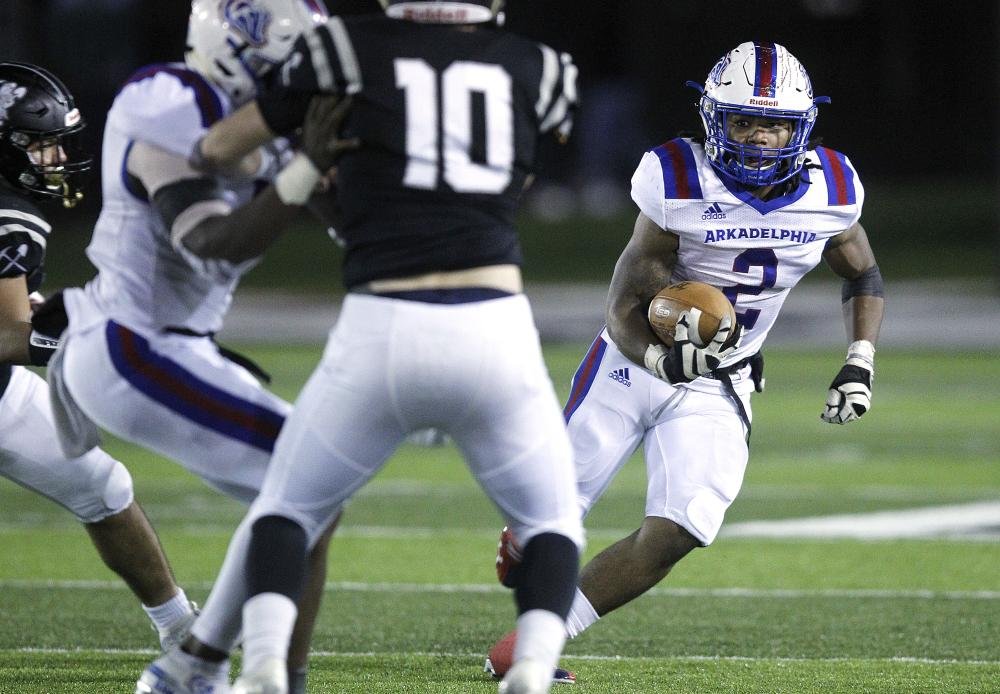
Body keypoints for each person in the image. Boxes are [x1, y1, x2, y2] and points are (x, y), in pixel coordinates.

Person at [137, 1, 586, 692]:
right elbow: (519, 173)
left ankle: (260, 664)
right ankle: (529, 667)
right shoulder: (543, 65)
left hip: (382, 321)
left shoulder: (344, 48)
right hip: (493, 322)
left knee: (289, 508)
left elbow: (222, 147)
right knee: (550, 521)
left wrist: (245, 155)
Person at [485, 41, 885, 682]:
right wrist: (657, 357)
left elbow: (862, 273)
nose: (759, 139)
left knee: (682, 527)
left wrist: (859, 359)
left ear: (802, 126)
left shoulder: (832, 190)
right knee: (551, 514)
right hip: (631, 363)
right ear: (713, 120)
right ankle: (528, 533)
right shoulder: (676, 177)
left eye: (776, 123)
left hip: (721, 380)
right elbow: (624, 302)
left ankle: (540, 640)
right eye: (744, 122)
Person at [41, 3, 339, 693]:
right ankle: (257, 675)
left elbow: (350, 219)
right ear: (240, 44)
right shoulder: (169, 97)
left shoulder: (258, 122)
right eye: (289, 62)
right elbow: (207, 244)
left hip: (169, 344)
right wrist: (303, 169)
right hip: (130, 340)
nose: (296, 82)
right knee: (310, 478)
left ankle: (193, 666)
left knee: (306, 490)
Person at [0, 61, 197, 650]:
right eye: (39, 145)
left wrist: (53, 310)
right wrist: (93, 342)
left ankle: (179, 628)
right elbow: (6, 337)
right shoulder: (12, 216)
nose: (54, 160)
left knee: (103, 487)